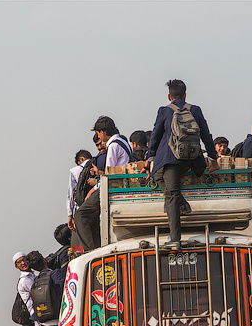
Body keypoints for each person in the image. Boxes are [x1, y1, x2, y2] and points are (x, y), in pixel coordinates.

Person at [143, 79, 219, 249]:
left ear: (169, 96)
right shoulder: (195, 110)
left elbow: (155, 136)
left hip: (170, 159)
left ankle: (175, 239)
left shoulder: (164, 111)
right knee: (161, 179)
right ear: (185, 95)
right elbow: (206, 135)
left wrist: (149, 158)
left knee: (171, 194)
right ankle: (183, 204)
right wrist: (213, 159)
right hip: (191, 160)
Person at [75, 117, 134, 251]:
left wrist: (95, 187)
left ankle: (89, 251)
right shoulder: (123, 142)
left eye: (98, 133)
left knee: (80, 215)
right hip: (120, 184)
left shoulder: (113, 146)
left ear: (102, 132)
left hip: (111, 187)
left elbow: (109, 173)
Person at [67, 149, 92, 245]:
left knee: (79, 240)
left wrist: (70, 215)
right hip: (97, 205)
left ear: (81, 159)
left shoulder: (74, 171)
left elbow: (71, 194)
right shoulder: (97, 164)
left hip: (81, 208)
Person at [13, 251, 37, 326]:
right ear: (16, 266)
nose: (23, 263)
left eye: (24, 260)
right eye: (19, 262)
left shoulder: (33, 275)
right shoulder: (24, 280)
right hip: (37, 319)